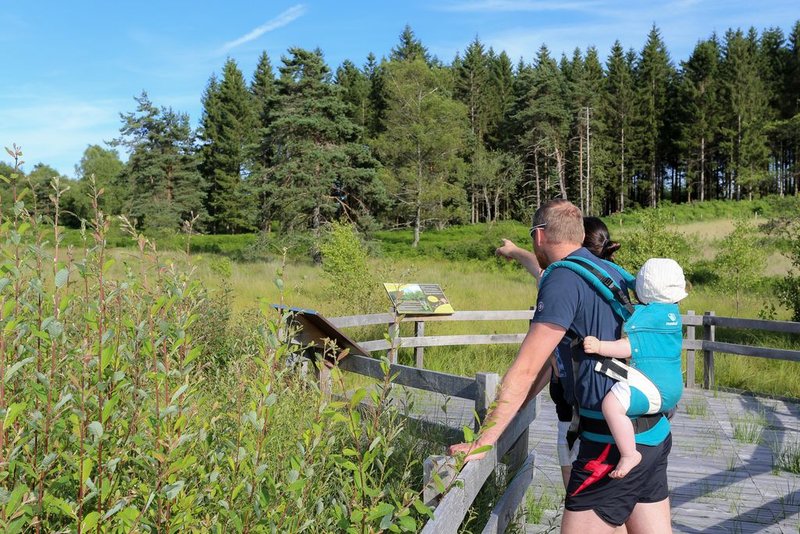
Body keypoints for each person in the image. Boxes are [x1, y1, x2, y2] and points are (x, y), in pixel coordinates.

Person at [451, 199, 673, 533]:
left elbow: (525, 368)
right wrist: (516, 408)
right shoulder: (607, 270)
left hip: (608, 444)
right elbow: (550, 363)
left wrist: (483, 441)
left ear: (539, 236)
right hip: (651, 433)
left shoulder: (562, 279)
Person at [495, 216, 621, 488]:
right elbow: (535, 265)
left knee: (580, 500)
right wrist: (514, 249)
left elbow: (532, 366)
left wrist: (487, 435)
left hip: (580, 416)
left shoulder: (564, 281)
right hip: (619, 411)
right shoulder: (614, 281)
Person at [582, 258, 687, 479]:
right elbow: (633, 283)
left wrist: (599, 346)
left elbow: (629, 347)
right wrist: (607, 265)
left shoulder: (649, 318)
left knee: (611, 405)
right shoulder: (670, 314)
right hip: (671, 385)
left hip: (652, 388)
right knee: (607, 368)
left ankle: (629, 453)